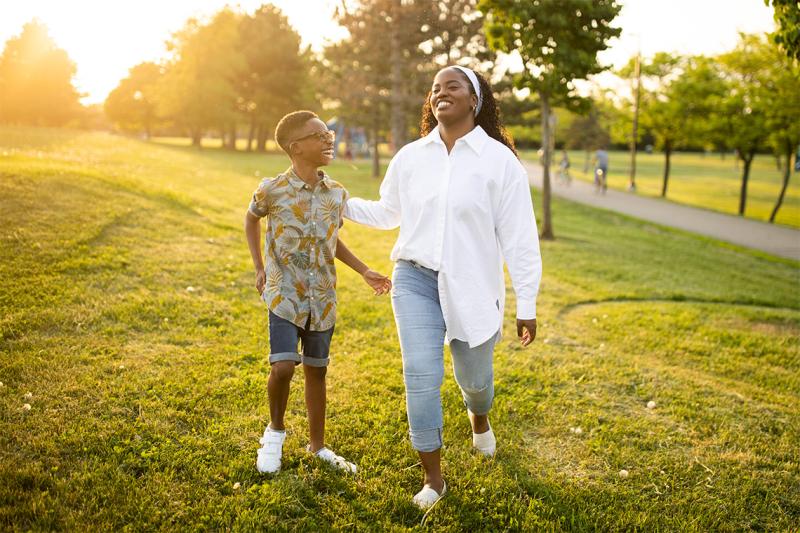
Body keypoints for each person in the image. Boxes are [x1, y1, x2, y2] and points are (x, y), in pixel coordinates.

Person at [345, 66, 542, 509]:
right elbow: (387, 212)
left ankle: (479, 417)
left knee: (475, 381)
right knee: (420, 375)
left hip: (473, 285)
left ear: (474, 100)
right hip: (414, 278)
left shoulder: (499, 162)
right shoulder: (412, 157)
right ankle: (434, 479)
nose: (440, 93)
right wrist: (338, 203)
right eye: (435, 89)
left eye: (452, 86)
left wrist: (526, 303)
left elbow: (520, 239)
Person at [244, 110, 391, 475]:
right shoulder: (271, 189)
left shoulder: (336, 194)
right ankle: (274, 433)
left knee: (316, 371)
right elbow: (251, 218)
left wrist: (363, 269)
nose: (329, 139)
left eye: (329, 133)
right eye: (319, 135)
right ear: (296, 147)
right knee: (282, 366)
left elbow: (330, 239)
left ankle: (318, 446)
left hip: (322, 295)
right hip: (284, 291)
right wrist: (260, 267)